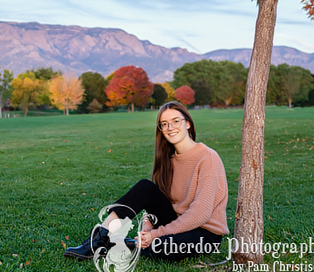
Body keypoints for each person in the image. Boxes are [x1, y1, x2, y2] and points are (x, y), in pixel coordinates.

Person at [64, 101, 229, 260]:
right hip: (176, 223)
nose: (170, 127)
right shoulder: (168, 160)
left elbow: (200, 214)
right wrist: (146, 231)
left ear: (188, 124)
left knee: (162, 245)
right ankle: (100, 237)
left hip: (205, 234)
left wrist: (155, 234)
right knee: (145, 187)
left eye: (176, 121)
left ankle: (133, 246)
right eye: (164, 124)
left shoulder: (208, 158)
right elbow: (154, 203)